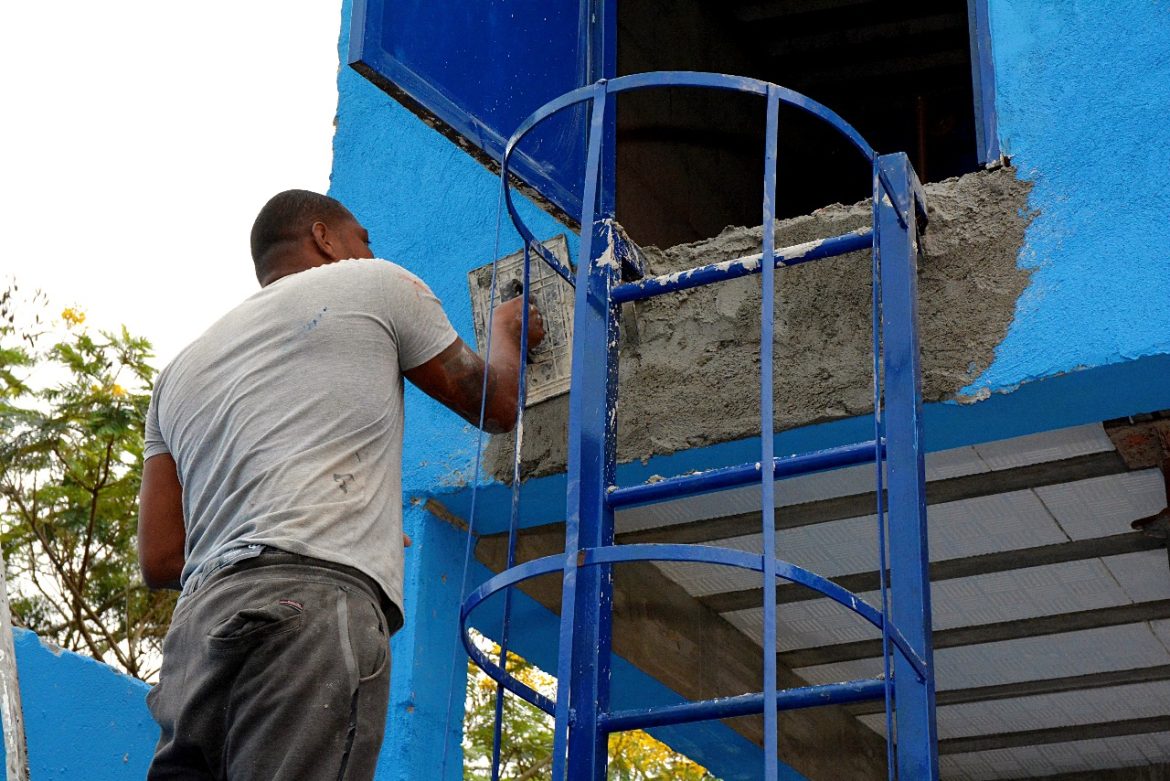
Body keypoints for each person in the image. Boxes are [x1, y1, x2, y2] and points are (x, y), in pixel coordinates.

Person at [137, 189, 544, 780]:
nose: (367, 250)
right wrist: (505, 332)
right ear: (325, 237)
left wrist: (307, 526)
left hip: (196, 635)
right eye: (362, 238)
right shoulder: (374, 283)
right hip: (310, 612)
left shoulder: (177, 373)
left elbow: (160, 557)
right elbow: (497, 404)